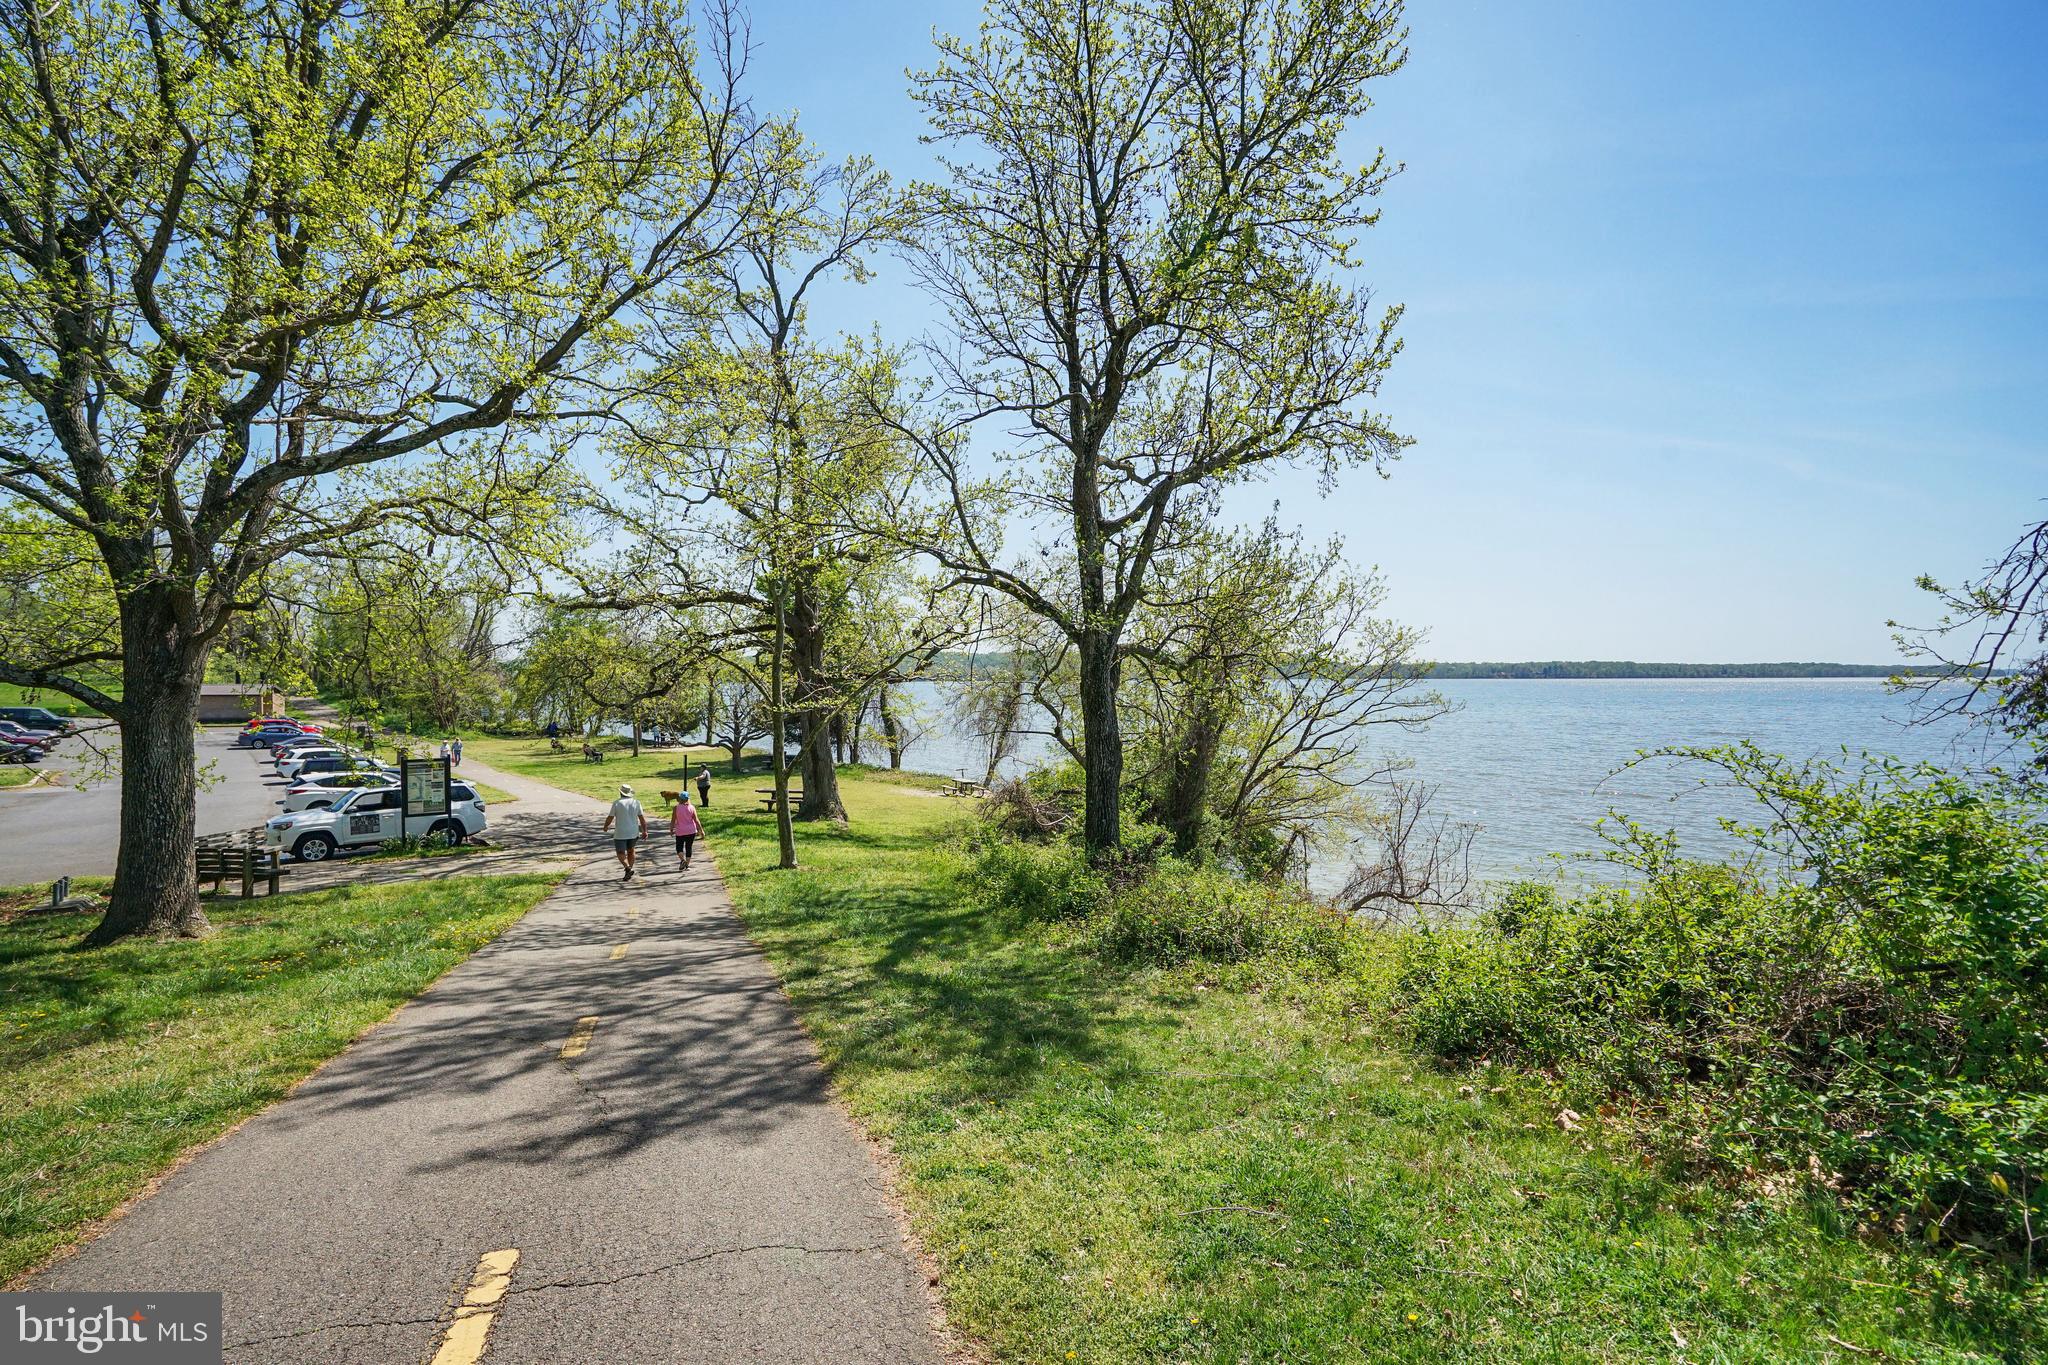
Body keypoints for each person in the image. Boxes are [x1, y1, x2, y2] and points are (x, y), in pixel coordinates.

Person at [602, 783, 649, 880]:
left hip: (621, 832)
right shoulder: (636, 802)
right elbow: (642, 818)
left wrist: (606, 826)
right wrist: (645, 831)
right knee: (631, 851)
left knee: (620, 852)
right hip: (633, 831)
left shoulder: (617, 803)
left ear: (620, 793)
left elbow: (610, 817)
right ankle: (629, 869)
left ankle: (627, 868)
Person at [670, 791, 704, 870]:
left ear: (679, 799)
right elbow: (696, 820)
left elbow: (673, 820)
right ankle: (687, 865)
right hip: (691, 831)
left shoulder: (676, 808)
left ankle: (682, 860)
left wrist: (671, 829)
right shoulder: (692, 807)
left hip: (680, 831)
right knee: (689, 847)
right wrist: (701, 830)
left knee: (679, 847)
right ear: (688, 799)